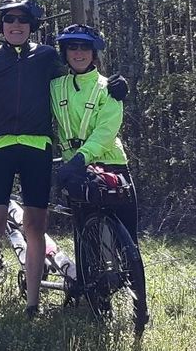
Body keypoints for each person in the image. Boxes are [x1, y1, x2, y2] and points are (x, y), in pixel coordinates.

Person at [0, 0, 64, 315]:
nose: (16, 25)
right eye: (9, 19)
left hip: (38, 148)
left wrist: (106, 87)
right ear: (2, 25)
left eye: (23, 20)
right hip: (0, 148)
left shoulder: (47, 57)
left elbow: (74, 84)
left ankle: (33, 303)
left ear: (32, 25)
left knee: (35, 226)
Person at [52, 24, 136, 242]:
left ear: (93, 53)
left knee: (128, 242)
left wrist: (79, 159)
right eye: (72, 47)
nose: (78, 53)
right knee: (85, 241)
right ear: (65, 52)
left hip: (111, 165)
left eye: (85, 47)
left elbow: (106, 132)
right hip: (77, 172)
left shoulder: (109, 87)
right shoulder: (55, 87)